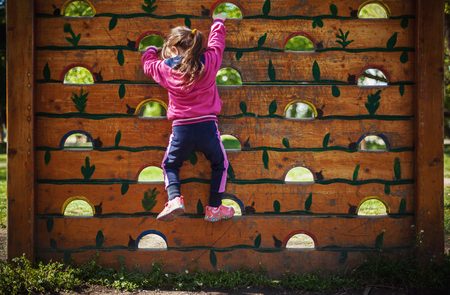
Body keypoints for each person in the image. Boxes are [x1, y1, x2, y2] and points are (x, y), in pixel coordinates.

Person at [141, 13, 234, 222]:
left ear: (173, 49)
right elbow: (217, 44)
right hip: (208, 127)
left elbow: (148, 66)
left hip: (181, 129)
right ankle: (214, 208)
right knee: (220, 164)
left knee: (170, 165)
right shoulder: (209, 61)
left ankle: (174, 200)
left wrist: (149, 50)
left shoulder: (165, 68)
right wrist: (218, 22)